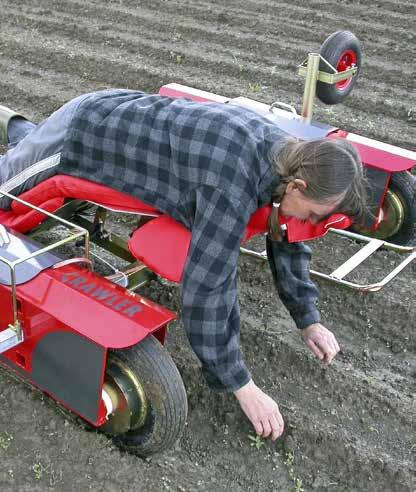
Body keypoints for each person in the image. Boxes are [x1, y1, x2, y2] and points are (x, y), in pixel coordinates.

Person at [0, 90, 367, 442]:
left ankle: (23, 139)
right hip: (84, 135)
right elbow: (207, 288)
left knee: (27, 152)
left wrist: (309, 318)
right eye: (316, 213)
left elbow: (290, 231)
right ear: (297, 186)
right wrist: (242, 385)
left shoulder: (289, 157)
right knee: (6, 190)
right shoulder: (232, 182)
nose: (313, 221)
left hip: (125, 121)